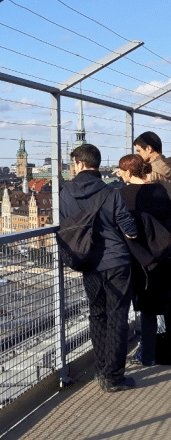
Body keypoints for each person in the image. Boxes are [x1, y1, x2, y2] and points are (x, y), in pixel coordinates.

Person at [60, 144, 138, 392]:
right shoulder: (111, 192)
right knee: (117, 317)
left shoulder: (64, 193)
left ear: (80, 164)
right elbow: (130, 230)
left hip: (88, 263)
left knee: (97, 315)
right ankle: (113, 377)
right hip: (116, 263)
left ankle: (100, 369)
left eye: (74, 164)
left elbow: (65, 227)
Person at [117, 154, 171, 366]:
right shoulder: (159, 191)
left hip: (140, 260)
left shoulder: (122, 195)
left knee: (147, 311)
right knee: (168, 306)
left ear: (129, 172)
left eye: (122, 170)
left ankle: (148, 356)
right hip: (164, 256)